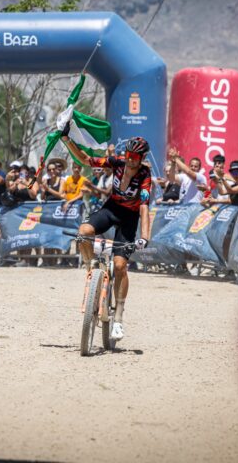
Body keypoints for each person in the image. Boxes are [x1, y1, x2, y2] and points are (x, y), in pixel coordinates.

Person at [62, 135, 152, 342]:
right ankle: (90, 269)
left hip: (130, 217)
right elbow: (85, 160)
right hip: (111, 208)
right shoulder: (116, 162)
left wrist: (145, 237)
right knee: (84, 233)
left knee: (120, 266)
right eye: (129, 155)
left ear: (142, 158)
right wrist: (67, 140)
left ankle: (119, 316)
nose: (130, 160)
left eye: (135, 157)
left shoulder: (145, 175)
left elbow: (145, 207)